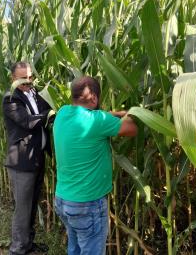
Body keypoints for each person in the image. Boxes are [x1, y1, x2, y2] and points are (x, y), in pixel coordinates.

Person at [53, 76, 138, 255]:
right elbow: (131, 129)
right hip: (87, 205)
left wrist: (115, 114)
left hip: (64, 200)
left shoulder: (62, 113)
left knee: (75, 249)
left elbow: (99, 116)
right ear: (93, 98)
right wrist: (133, 112)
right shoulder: (97, 120)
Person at [2, 62, 52, 255]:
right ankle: (17, 249)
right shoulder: (10, 99)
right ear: (13, 79)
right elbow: (27, 121)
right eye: (23, 78)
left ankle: (28, 244)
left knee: (31, 206)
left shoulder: (36, 94)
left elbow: (50, 111)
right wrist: (49, 114)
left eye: (31, 77)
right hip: (21, 162)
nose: (28, 81)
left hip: (37, 159)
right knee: (22, 209)